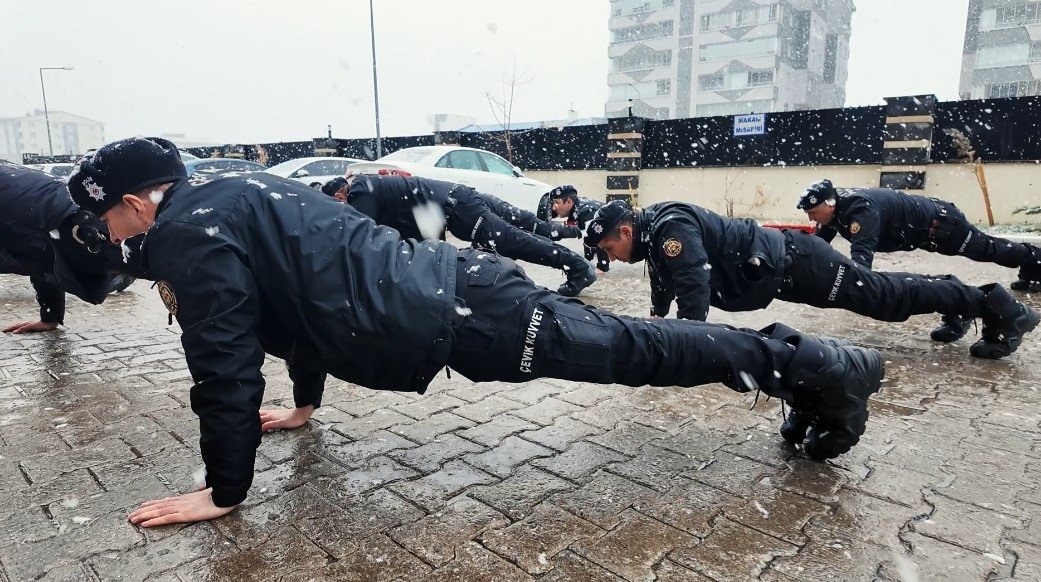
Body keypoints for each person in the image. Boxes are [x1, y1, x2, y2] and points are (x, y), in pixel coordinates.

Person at [69, 137, 884, 527]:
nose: (107, 235)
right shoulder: (228, 189)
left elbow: (225, 359)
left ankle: (818, 365)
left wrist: (224, 490)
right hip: (460, 291)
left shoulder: (186, 233)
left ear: (138, 203)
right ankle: (806, 366)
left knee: (640, 353)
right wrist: (306, 409)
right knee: (636, 348)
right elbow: (297, 306)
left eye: (105, 217)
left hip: (463, 320)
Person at [585, 199, 1039, 359]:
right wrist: (655, 318)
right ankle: (959, 299)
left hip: (801, 263)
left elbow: (693, 281)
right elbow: (664, 279)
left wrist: (685, 343)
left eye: (610, 249)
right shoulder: (653, 235)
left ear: (625, 231)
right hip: (786, 272)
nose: (615, 259)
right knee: (884, 293)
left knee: (883, 298)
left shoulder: (669, 228)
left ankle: (998, 307)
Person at [343, 173, 595, 297]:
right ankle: (574, 237)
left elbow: (363, 241)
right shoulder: (375, 188)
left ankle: (577, 266)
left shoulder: (360, 191)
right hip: (459, 196)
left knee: (510, 240)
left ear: (339, 196)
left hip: (458, 209)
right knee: (523, 223)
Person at [798, 179, 1041, 292]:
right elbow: (817, 245)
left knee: (987, 250)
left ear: (829, 205)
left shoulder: (860, 210)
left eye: (812, 212)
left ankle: (1035, 261)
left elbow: (862, 261)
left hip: (943, 224)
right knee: (989, 248)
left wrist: (847, 288)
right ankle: (1031, 264)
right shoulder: (834, 211)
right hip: (928, 231)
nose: (810, 218)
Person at [0, 161, 131, 334]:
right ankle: (121, 273)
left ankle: (122, 273)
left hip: (84, 226)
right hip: (79, 220)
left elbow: (36, 253)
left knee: (161, 260)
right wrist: (50, 317)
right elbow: (40, 258)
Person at [548, 185, 611, 274]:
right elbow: (589, 239)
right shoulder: (579, 209)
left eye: (556, 202)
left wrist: (602, 269)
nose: (553, 208)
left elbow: (601, 240)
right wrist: (587, 262)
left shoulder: (585, 213)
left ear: (569, 202)